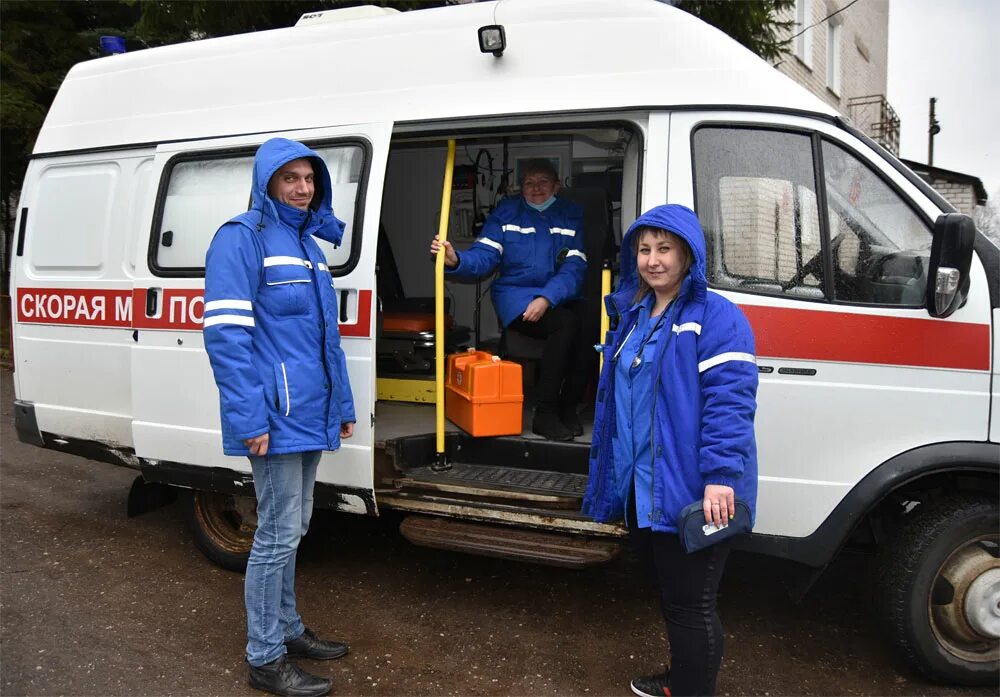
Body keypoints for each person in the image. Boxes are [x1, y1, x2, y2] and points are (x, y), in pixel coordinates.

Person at [581, 204, 758, 697]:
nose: (652, 260)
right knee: (672, 595)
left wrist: (720, 476)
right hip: (645, 487)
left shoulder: (717, 317)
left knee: (691, 604)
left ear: (688, 254)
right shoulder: (635, 312)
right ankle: (684, 678)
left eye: (664, 249)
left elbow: (731, 403)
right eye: (643, 249)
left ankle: (691, 688)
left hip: (692, 488)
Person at [204, 138, 356, 697]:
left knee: (297, 528)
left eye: (309, 178)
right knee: (275, 534)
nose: (301, 188)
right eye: (289, 178)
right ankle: (265, 657)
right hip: (273, 415)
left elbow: (325, 341)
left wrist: (340, 406)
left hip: (310, 412)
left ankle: (288, 629)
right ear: (267, 181)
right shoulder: (240, 238)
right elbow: (226, 338)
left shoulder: (309, 244)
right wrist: (249, 419)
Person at [430, 159, 592, 441]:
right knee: (565, 324)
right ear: (521, 188)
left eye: (543, 181)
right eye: (529, 182)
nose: (536, 188)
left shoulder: (571, 215)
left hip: (558, 294)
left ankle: (568, 407)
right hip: (516, 298)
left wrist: (546, 297)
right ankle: (545, 413)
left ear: (556, 186)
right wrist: (457, 259)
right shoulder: (506, 214)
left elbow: (574, 267)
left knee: (592, 325)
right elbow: (484, 255)